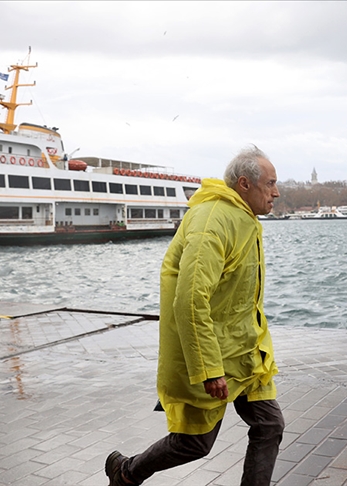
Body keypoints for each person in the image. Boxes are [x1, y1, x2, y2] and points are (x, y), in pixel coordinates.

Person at [106, 146, 284, 486]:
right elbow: (190, 300)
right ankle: (126, 472)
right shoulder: (212, 221)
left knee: (269, 425)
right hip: (216, 356)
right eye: (271, 183)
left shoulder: (244, 218)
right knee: (195, 443)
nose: (276, 192)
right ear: (244, 184)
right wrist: (208, 369)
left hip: (246, 355)